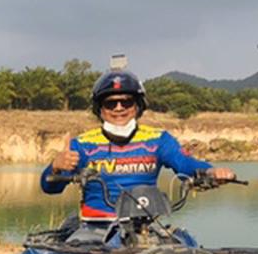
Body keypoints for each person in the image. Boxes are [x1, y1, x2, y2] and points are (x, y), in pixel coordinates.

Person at [42, 68, 235, 241]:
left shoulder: (158, 139)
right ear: (99, 109)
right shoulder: (82, 144)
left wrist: (212, 172)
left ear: (138, 106)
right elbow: (49, 187)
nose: (119, 108)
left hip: (146, 227)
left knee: (189, 249)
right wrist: (56, 166)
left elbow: (184, 164)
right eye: (111, 103)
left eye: (126, 102)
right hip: (95, 228)